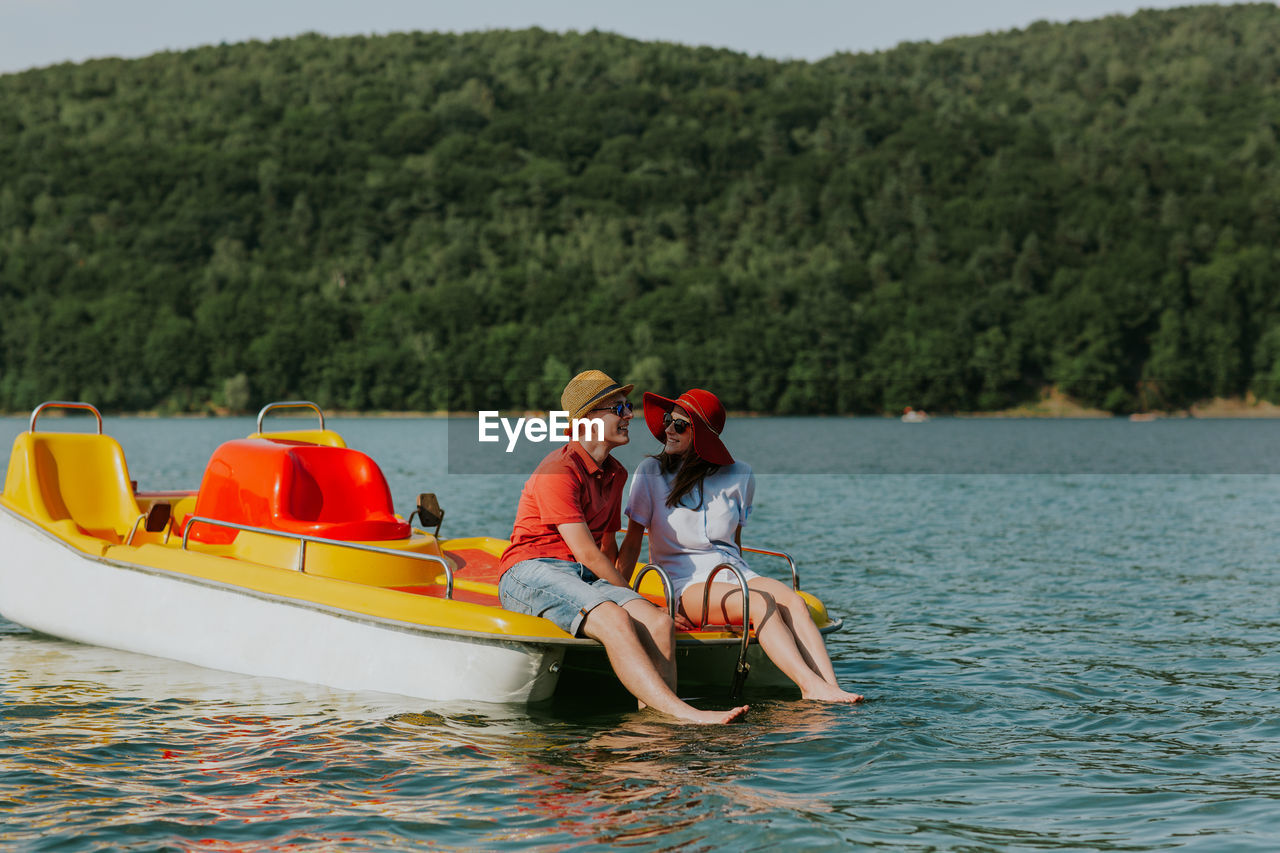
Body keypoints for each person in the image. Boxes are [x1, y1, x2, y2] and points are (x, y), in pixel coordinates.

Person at [498, 370, 748, 725]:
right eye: (620, 408)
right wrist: (627, 599)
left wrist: (637, 603)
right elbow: (586, 552)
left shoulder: (614, 473)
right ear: (588, 420)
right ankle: (682, 713)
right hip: (532, 570)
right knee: (615, 616)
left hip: (582, 577)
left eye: (627, 407)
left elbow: (607, 546)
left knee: (660, 623)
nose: (630, 415)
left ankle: (657, 727)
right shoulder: (559, 469)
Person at [617, 388, 863, 704]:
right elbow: (634, 540)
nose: (667, 430)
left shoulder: (740, 474)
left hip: (736, 572)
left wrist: (742, 576)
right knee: (758, 603)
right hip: (684, 581)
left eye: (680, 425)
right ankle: (809, 687)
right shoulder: (651, 472)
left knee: (795, 602)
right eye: (668, 421)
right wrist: (624, 597)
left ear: (702, 435)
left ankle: (831, 687)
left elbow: (735, 543)